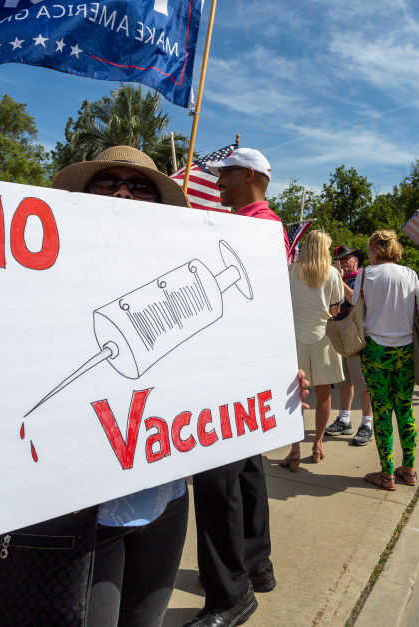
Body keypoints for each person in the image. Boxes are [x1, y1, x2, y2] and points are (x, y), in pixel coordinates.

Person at [0, 146, 310, 626]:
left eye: (139, 185)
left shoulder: (178, 278)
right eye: (107, 183)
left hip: (159, 505)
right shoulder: (25, 280)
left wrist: (271, 383)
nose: (123, 192)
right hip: (67, 513)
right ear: (80, 197)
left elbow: (221, 363)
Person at [184, 147, 284, 626]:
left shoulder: (248, 226)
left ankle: (229, 592)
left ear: (248, 175)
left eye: (224, 174)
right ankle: (255, 562)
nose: (218, 182)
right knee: (246, 470)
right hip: (249, 366)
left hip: (227, 367)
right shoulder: (267, 224)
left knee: (216, 480)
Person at [351, 230, 419, 491]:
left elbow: (355, 310)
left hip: (375, 351)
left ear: (374, 250)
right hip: (406, 349)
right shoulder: (409, 274)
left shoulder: (364, 274)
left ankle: (386, 474)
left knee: (382, 412)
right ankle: (408, 470)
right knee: (405, 408)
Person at [281, 231, 344, 470]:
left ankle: (294, 449)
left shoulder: (291, 271)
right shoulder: (333, 273)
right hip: (323, 336)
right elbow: (336, 310)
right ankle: (317, 444)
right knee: (324, 393)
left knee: (294, 395)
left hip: (295, 337)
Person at [323, 245, 374, 446]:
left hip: (355, 333)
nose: (344, 261)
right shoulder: (339, 277)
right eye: (340, 258)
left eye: (348, 258)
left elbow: (354, 299)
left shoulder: (362, 277)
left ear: (357, 260)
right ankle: (344, 419)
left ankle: (367, 424)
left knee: (362, 382)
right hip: (339, 333)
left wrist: (337, 279)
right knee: (343, 380)